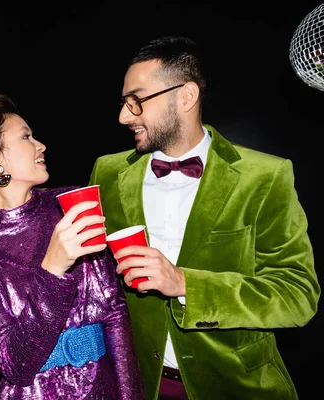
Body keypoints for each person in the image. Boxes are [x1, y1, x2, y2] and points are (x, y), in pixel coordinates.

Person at [88, 35, 320, 400]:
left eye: (136, 101)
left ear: (186, 96)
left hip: (235, 387)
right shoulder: (107, 171)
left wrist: (185, 284)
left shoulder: (265, 176)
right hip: (134, 386)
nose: (122, 116)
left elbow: (297, 296)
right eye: (123, 102)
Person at [0, 92, 145, 399]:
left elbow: (114, 311)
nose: (41, 145)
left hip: (102, 387)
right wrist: (52, 270)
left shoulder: (71, 204)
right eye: (26, 137)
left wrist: (130, 395)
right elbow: (16, 365)